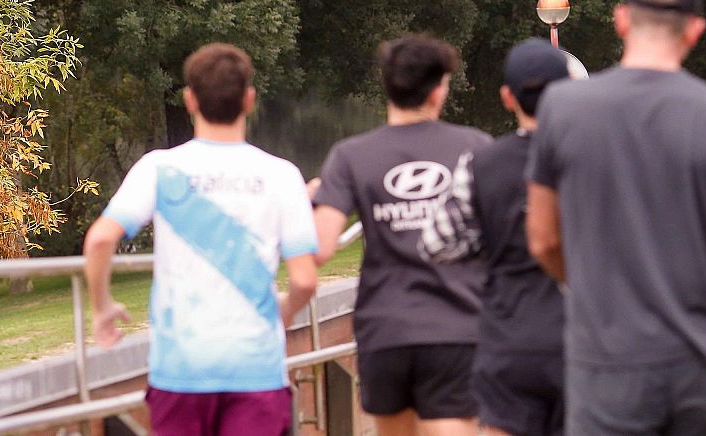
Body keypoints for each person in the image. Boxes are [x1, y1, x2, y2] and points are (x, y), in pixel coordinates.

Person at [527, 0, 706, 435]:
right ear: (696, 30)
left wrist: (590, 288)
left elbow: (542, 238)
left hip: (605, 356)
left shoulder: (562, 110)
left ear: (622, 19)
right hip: (698, 358)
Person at [84, 43, 319, 436]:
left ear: (190, 100)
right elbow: (305, 279)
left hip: (181, 370)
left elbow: (99, 241)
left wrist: (102, 306)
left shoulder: (159, 168)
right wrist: (287, 311)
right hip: (256, 371)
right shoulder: (282, 175)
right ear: (249, 99)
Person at [310, 35, 489, 436]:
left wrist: (308, 200)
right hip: (458, 325)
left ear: (386, 84)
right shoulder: (475, 147)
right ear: (440, 88)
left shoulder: (350, 155)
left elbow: (321, 247)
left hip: (385, 328)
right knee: (454, 425)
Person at [419, 39, 575, 436]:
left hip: (511, 336)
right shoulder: (594, 157)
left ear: (508, 97)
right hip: (584, 338)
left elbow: (436, 243)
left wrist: (489, 237)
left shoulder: (480, 162)